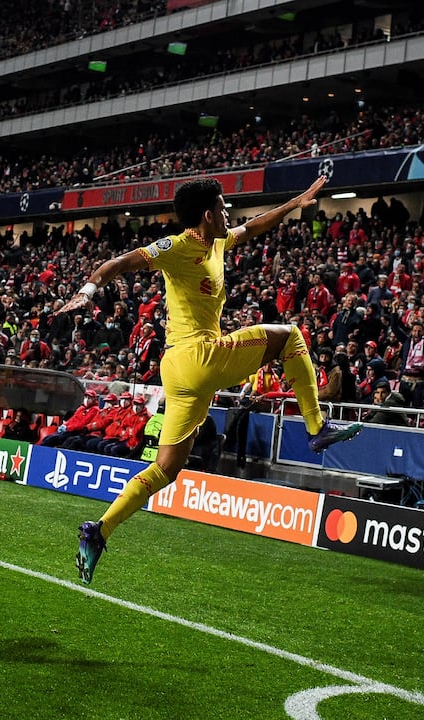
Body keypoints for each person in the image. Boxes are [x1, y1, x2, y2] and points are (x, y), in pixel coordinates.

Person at [57, 176, 363, 584]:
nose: (228, 214)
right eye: (222, 208)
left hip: (179, 371)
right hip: (200, 356)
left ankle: (99, 531)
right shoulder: (176, 246)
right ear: (206, 214)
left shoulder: (217, 241)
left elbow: (254, 226)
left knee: (166, 469)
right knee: (290, 336)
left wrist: (295, 202)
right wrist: (89, 290)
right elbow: (120, 263)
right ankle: (316, 427)